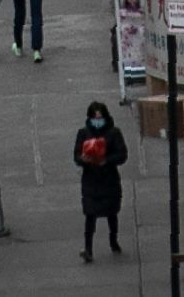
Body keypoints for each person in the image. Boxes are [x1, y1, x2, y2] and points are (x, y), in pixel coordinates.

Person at [74, 101, 128, 260]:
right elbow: (76, 155)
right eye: (95, 118)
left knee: (112, 212)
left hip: (109, 178)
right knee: (90, 214)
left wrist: (107, 160)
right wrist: (84, 159)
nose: (97, 121)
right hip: (91, 180)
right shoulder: (83, 133)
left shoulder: (114, 133)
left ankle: (113, 240)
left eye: (100, 117)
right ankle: (88, 248)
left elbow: (122, 154)